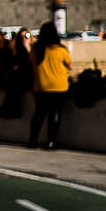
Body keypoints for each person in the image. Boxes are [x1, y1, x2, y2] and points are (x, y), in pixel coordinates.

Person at [29, 21, 71, 149]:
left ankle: (32, 141)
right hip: (59, 86)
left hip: (41, 86)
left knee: (39, 113)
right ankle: (51, 142)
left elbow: (30, 63)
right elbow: (69, 65)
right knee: (55, 113)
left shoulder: (36, 49)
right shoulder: (61, 49)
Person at [0, 28, 33, 119]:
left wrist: (28, 47)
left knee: (15, 84)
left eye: (26, 36)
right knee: (13, 84)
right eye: (22, 37)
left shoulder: (34, 47)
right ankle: (10, 109)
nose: (24, 38)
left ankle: (11, 110)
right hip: (19, 77)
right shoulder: (16, 49)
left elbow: (33, 62)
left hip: (30, 77)